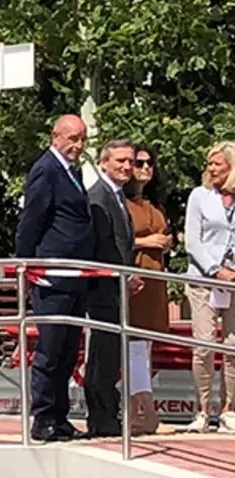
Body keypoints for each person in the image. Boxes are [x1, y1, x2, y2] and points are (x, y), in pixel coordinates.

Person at [15, 115, 95, 442]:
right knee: (50, 350)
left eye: (82, 139)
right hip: (53, 275)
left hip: (74, 275)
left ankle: (60, 417)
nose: (78, 146)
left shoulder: (70, 170)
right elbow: (31, 219)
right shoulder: (46, 169)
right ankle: (43, 418)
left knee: (67, 350)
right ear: (55, 136)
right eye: (72, 138)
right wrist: (26, 264)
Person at [83, 139, 139, 437]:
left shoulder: (117, 196)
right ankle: (101, 418)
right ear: (104, 162)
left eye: (130, 161)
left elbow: (122, 243)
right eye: (120, 161)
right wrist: (115, 275)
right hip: (102, 285)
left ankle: (106, 414)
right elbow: (100, 245)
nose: (127, 166)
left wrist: (129, 275)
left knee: (110, 352)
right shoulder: (98, 197)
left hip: (117, 284)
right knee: (102, 354)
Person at [183, 141, 235, 433]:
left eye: (218, 163)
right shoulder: (199, 196)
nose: (211, 168)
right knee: (203, 345)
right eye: (210, 163)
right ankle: (203, 410)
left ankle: (229, 409)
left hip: (234, 282)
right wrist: (217, 270)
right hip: (204, 279)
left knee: (232, 346)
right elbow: (193, 242)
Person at [125, 143, 171, 435]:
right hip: (135, 279)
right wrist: (145, 242)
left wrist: (165, 241)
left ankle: (133, 414)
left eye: (149, 163)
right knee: (135, 349)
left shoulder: (155, 205)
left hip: (156, 279)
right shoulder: (122, 203)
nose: (144, 168)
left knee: (145, 349)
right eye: (139, 163)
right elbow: (114, 238)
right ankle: (149, 413)